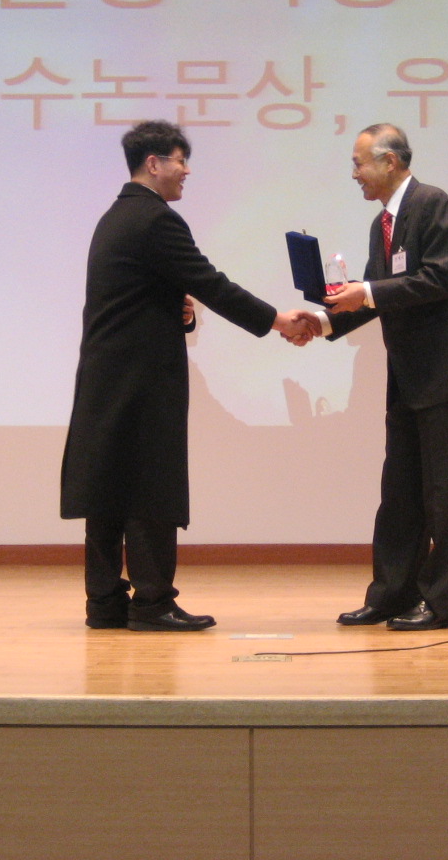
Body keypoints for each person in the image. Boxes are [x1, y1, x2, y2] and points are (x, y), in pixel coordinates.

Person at [60, 120, 316, 631]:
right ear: (153, 163)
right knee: (149, 487)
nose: (187, 171)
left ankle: (105, 603)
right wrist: (277, 320)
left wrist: (181, 311)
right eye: (180, 160)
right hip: (141, 380)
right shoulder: (156, 219)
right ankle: (153, 603)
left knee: (108, 489)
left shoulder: (116, 216)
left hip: (108, 374)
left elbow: (142, 296)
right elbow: (211, 283)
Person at [314, 124, 448, 630]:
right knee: (399, 493)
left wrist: (366, 292)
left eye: (359, 164)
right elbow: (375, 295)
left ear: (389, 161)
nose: (354, 174)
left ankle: (439, 604)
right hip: (411, 377)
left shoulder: (433, 204)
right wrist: (322, 322)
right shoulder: (383, 224)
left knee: (443, 497)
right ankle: (391, 595)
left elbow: (439, 278)